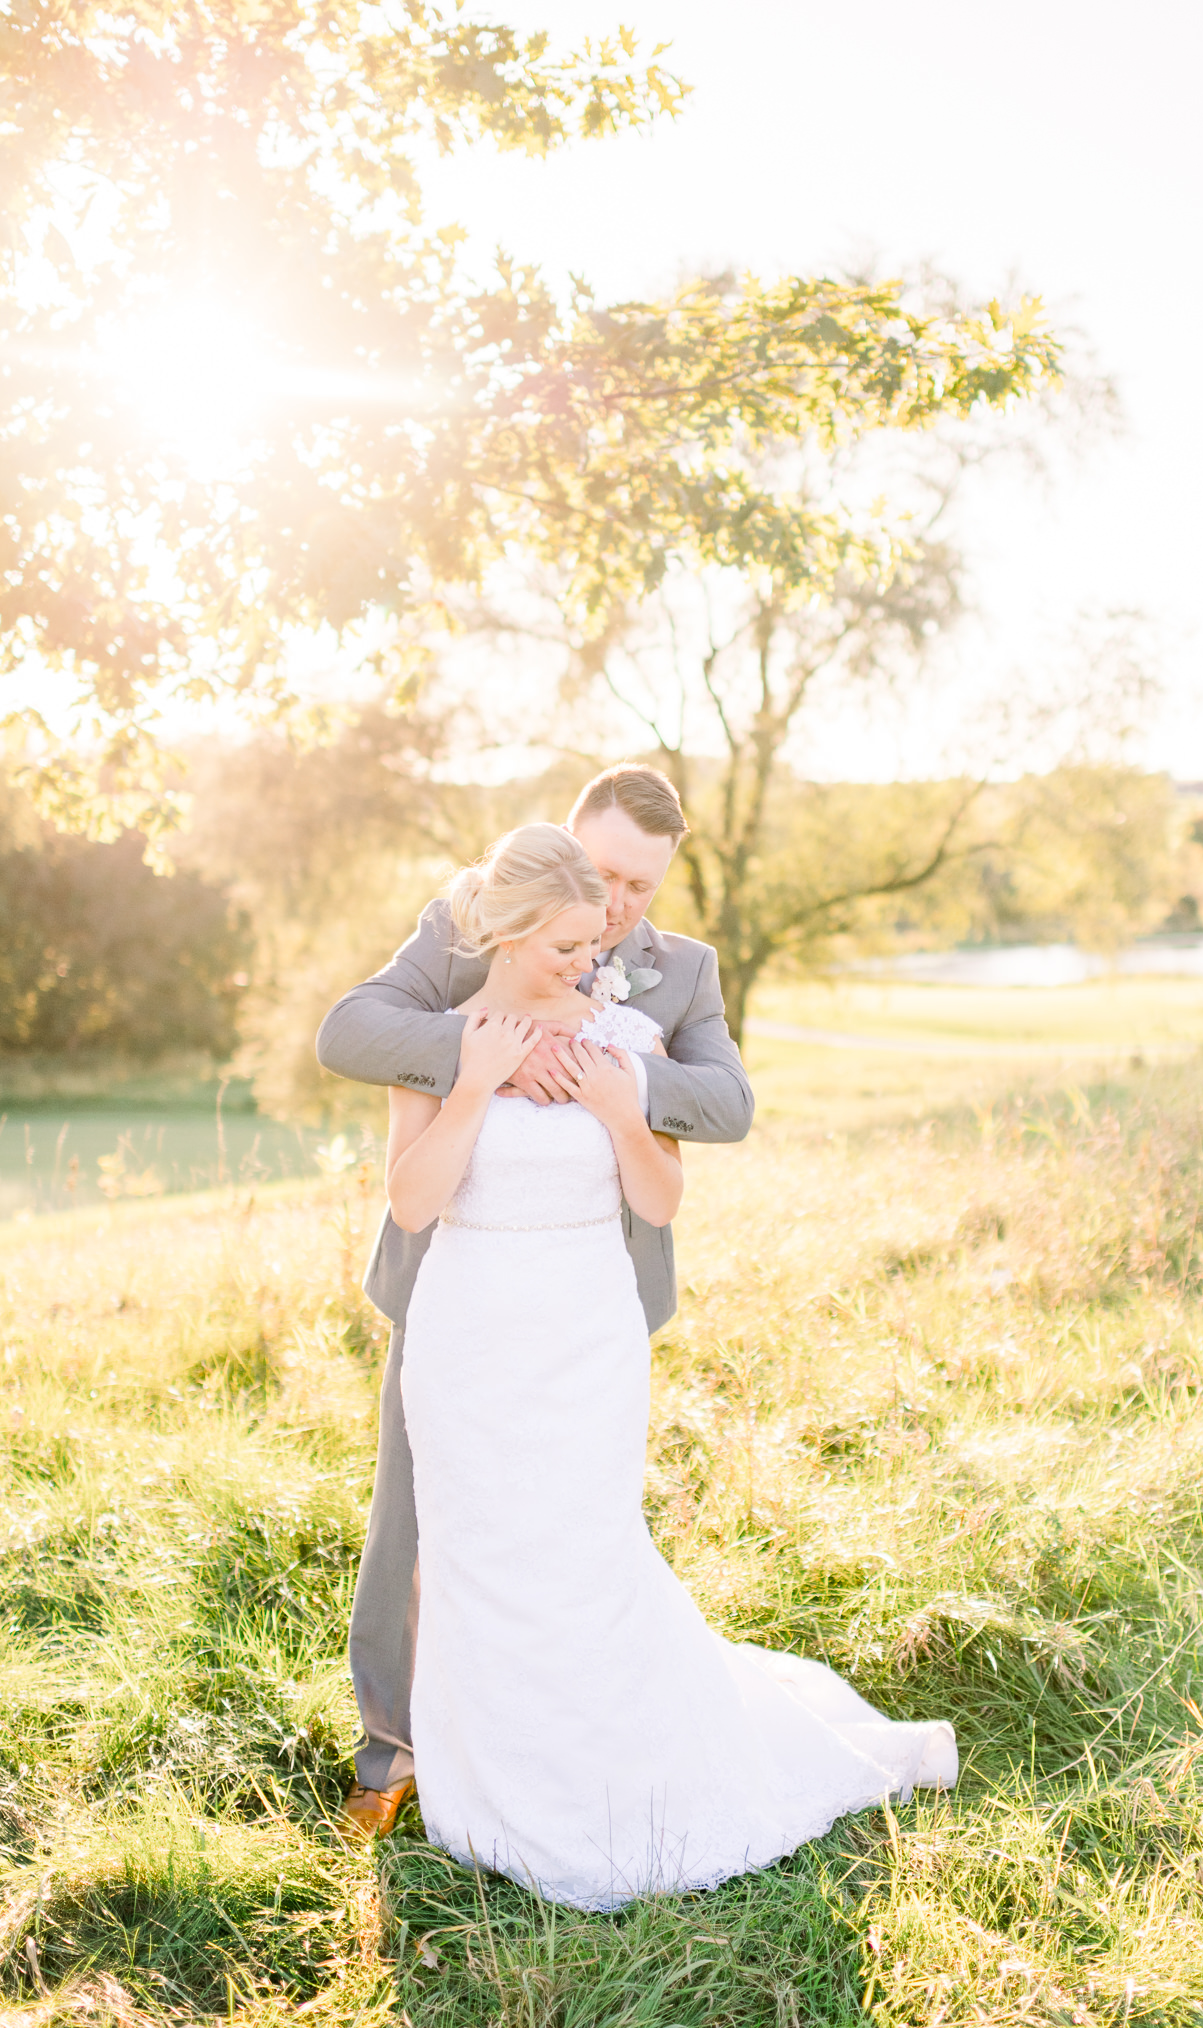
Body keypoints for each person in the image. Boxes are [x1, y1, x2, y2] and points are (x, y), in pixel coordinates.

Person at [356, 819, 958, 1908]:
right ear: (502, 928)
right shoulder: (441, 1036)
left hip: (584, 1331)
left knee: (580, 1554)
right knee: (475, 1556)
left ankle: (605, 1779)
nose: (584, 965)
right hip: (467, 1333)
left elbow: (661, 1198)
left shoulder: (626, 1036)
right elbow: (410, 1201)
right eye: (563, 949)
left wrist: (618, 1110)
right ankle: (487, 1789)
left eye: (594, 946)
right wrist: (473, 1084)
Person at [315, 764, 756, 1836]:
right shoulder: (471, 926)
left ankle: (559, 1729)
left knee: (563, 1531)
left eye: (639, 889)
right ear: (562, 846)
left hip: (587, 1299)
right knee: (417, 1523)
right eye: (602, 874)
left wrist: (621, 1084)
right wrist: (494, 1061)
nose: (613, 910)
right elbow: (353, 1032)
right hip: (456, 1288)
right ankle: (395, 1751)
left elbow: (729, 1106)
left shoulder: (680, 975)